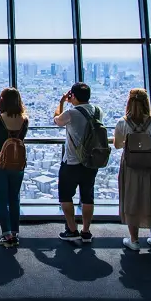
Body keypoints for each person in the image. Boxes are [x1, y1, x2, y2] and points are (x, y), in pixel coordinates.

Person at [114, 88, 151, 251]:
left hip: (130, 166)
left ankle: (134, 240)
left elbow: (117, 144)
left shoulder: (122, 123)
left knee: (131, 198)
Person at [53, 82, 101, 242]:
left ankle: (72, 230)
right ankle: (86, 231)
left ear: (72, 96)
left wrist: (61, 102)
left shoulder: (71, 113)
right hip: (92, 161)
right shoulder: (98, 111)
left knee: (65, 196)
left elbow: (57, 121)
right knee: (88, 196)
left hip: (72, 162)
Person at [0, 87, 29, 248]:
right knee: (14, 197)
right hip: (18, 163)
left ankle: (6, 234)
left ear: (2, 100)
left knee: (1, 199)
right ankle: (15, 232)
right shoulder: (25, 119)